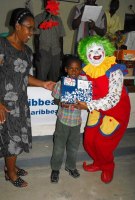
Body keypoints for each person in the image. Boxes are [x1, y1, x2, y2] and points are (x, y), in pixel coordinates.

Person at [0, 8, 55, 188]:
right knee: (10, 141)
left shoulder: (26, 51)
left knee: (17, 138)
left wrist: (43, 84)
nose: (31, 33)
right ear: (17, 26)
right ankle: (11, 173)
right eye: (28, 28)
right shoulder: (2, 46)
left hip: (21, 103)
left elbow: (24, 76)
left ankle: (12, 166)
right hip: (5, 105)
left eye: (33, 29)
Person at [77, 35, 131, 184]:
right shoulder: (85, 70)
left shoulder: (114, 71)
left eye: (99, 49)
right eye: (91, 50)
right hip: (97, 108)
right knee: (88, 140)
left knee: (102, 143)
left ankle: (108, 166)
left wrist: (88, 105)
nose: (96, 53)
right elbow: (83, 92)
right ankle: (98, 162)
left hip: (116, 111)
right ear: (85, 54)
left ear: (105, 50)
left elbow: (113, 99)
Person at [50, 55, 84, 183]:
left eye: (77, 69)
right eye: (71, 69)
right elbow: (55, 98)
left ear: (80, 70)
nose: (74, 72)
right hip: (63, 121)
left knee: (73, 147)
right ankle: (55, 169)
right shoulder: (60, 83)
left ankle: (70, 167)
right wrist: (60, 103)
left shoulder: (83, 84)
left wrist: (83, 103)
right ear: (66, 69)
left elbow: (87, 101)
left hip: (76, 122)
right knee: (58, 147)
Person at [34, 0, 65, 82]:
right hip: (43, 50)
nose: (48, 4)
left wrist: (61, 52)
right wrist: (37, 52)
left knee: (54, 76)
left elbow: (61, 37)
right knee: (41, 76)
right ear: (44, 4)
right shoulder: (38, 18)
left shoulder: (58, 19)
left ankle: (52, 94)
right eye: (46, 2)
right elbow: (36, 37)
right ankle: (40, 94)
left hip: (56, 51)